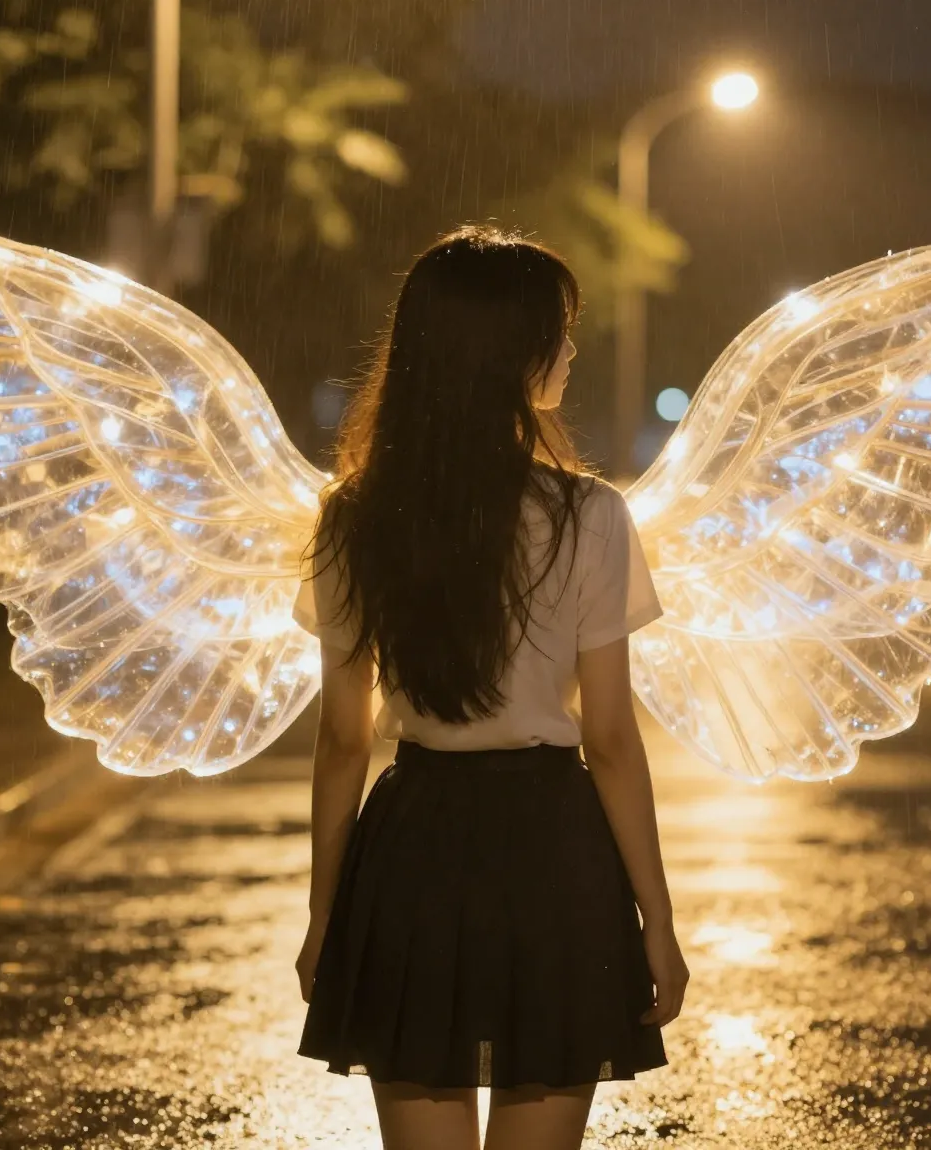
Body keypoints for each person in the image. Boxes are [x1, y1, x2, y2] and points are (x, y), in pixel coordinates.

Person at [292, 225, 689, 1149]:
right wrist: (657, 922)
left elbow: (344, 739)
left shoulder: (356, 517)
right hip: (553, 853)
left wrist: (325, 916)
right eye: (562, 331)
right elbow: (613, 741)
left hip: (411, 852)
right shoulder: (589, 515)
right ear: (518, 352)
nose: (572, 350)